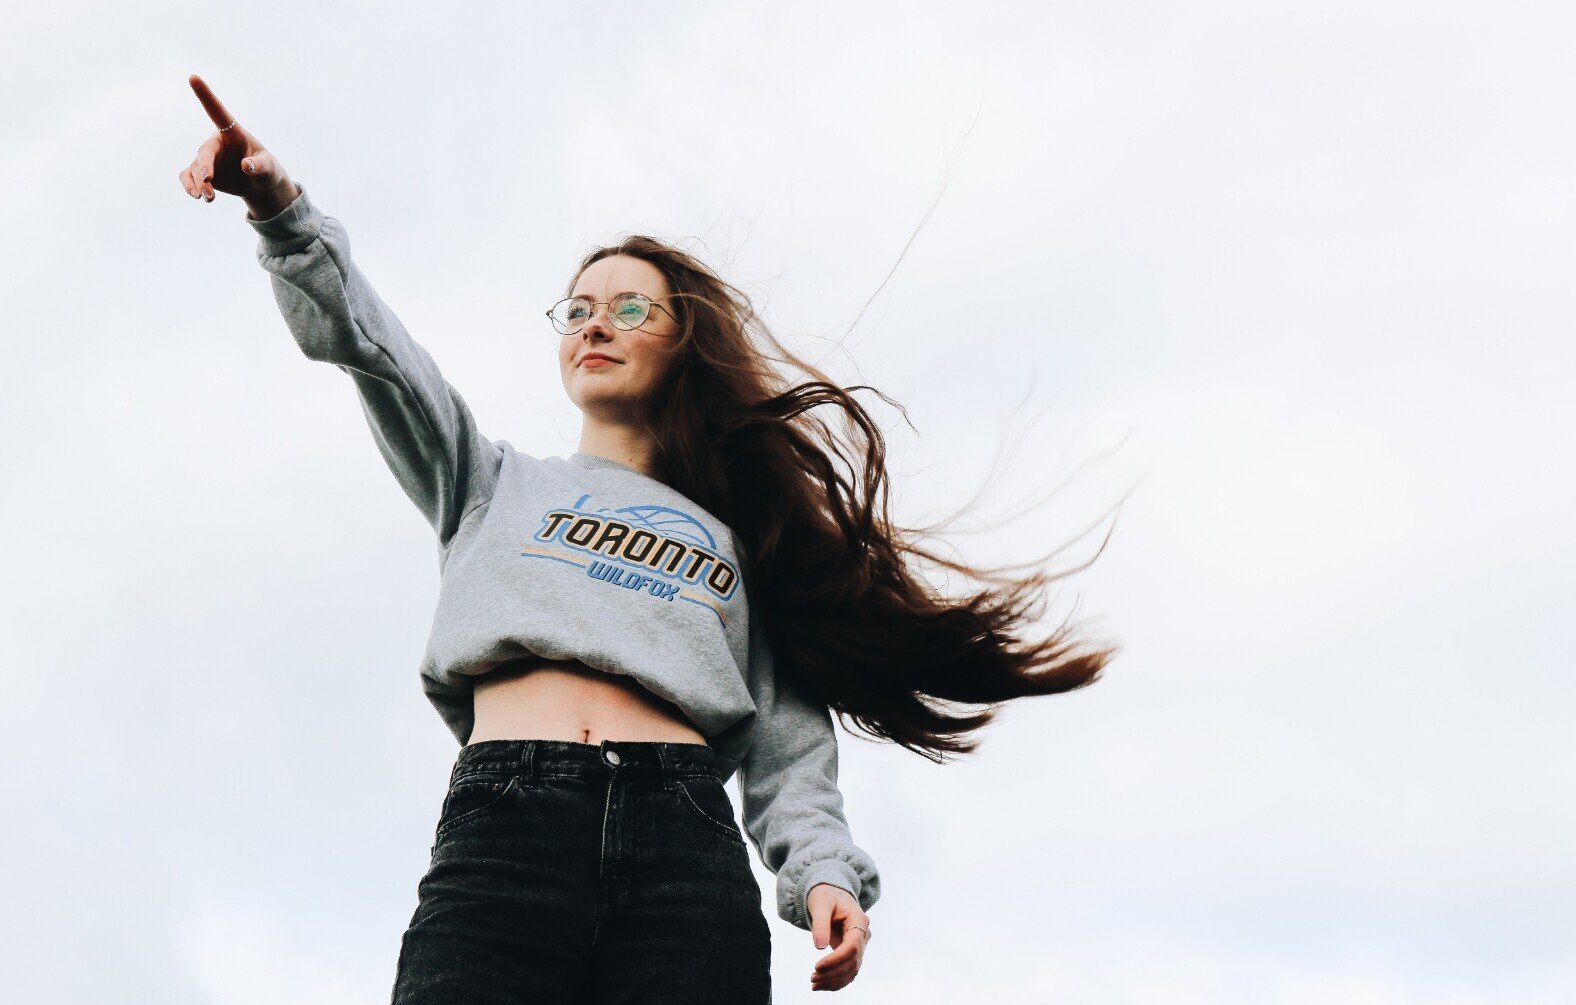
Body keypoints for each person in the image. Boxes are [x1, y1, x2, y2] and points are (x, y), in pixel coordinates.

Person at [179, 74, 1117, 1003]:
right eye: (579, 309)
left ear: (684, 343)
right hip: (505, 837)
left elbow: (790, 743)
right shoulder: (490, 480)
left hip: (683, 853)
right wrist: (283, 214)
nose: (596, 322)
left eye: (630, 308)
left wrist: (823, 870)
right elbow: (373, 349)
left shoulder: (745, 544)